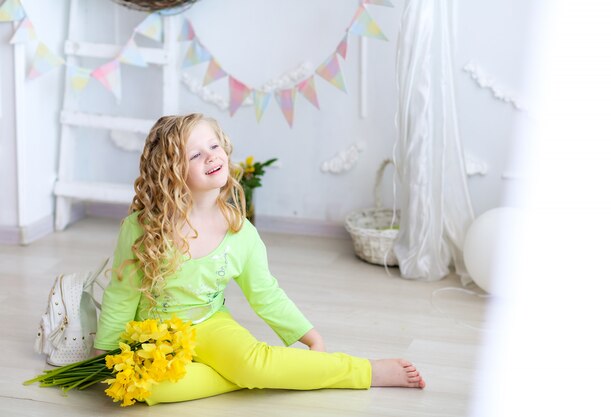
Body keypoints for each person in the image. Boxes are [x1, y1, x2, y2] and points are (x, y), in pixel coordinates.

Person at [93, 113, 425, 405]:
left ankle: (365, 371)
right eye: (195, 154)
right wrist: (104, 352)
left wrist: (310, 336)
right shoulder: (142, 229)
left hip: (211, 324)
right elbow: (121, 294)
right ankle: (250, 375)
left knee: (253, 362)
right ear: (171, 173)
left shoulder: (240, 232)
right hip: (154, 336)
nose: (211, 156)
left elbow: (266, 294)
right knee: (142, 389)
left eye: (214, 146)